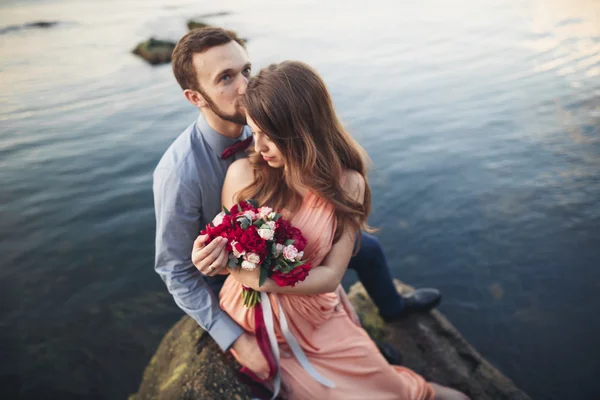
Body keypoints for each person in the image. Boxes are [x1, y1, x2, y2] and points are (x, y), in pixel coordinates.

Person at [153, 27, 441, 384]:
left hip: (296, 240)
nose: (245, 86)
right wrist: (236, 339)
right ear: (195, 97)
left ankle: (393, 310)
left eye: (246, 70)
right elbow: (175, 270)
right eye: (226, 78)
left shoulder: (268, 118)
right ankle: (354, 342)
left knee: (368, 248)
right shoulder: (178, 172)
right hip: (240, 272)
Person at [216, 60, 469, 399]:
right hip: (255, 319)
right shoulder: (243, 177)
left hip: (315, 312)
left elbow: (333, 276)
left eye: (270, 137)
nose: (258, 148)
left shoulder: (348, 185)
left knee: (403, 392)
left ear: (304, 131)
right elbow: (226, 250)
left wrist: (261, 280)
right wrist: (222, 264)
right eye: (254, 132)